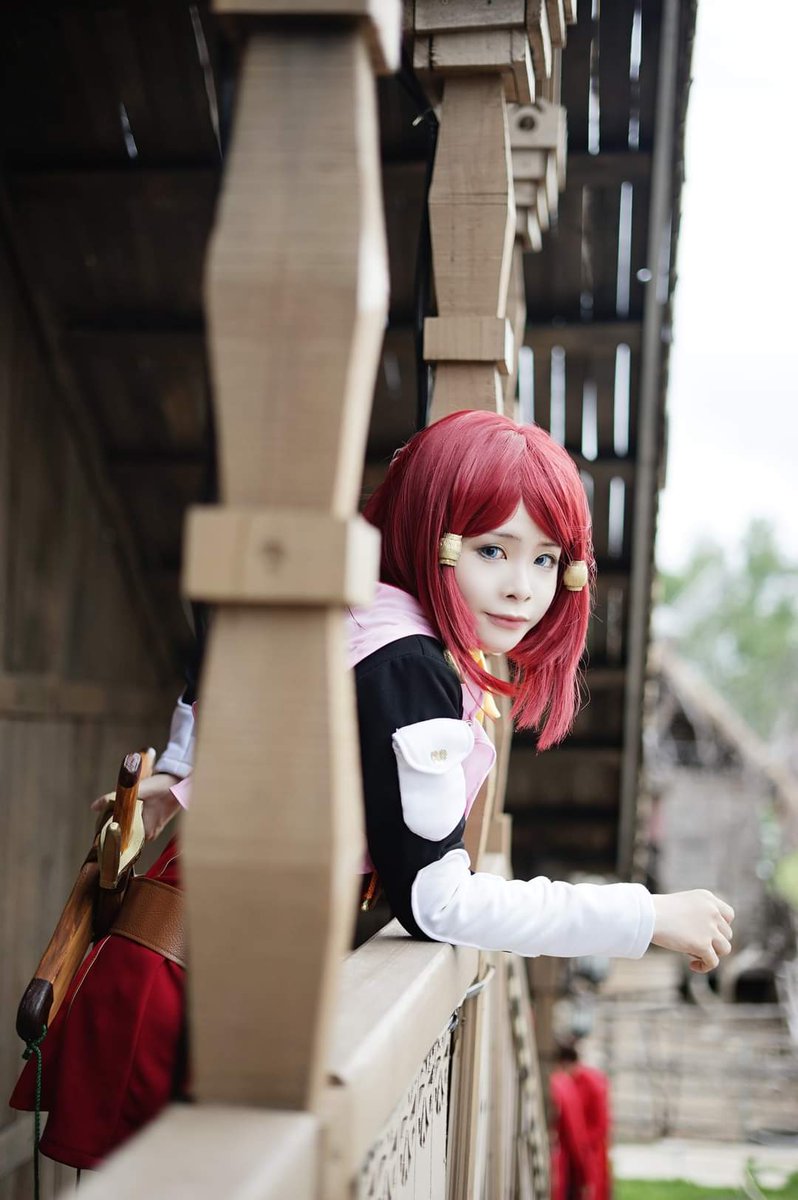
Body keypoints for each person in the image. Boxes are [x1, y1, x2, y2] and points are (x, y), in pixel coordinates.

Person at [119, 409, 734, 966]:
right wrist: (645, 916)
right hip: (200, 977)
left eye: (545, 559)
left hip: (189, 952)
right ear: (429, 533)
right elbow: (436, 901)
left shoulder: (365, 613)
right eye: (492, 550)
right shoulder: (407, 664)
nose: (522, 587)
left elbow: (228, 654)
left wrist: (181, 766)